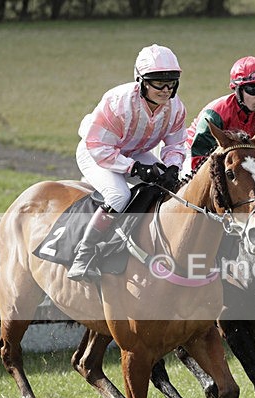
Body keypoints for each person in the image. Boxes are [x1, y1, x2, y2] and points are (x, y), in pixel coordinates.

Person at [68, 44, 187, 282]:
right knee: (119, 196)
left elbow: (175, 145)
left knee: (170, 187)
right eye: (158, 83)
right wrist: (134, 168)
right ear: (141, 81)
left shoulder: (176, 108)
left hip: (135, 151)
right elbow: (98, 147)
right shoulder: (118, 102)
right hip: (96, 152)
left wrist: (173, 167)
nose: (165, 90)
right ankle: (84, 253)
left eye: (171, 82)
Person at [186, 56, 255, 170]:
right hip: (193, 154)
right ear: (238, 89)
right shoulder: (215, 114)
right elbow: (199, 157)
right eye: (253, 89)